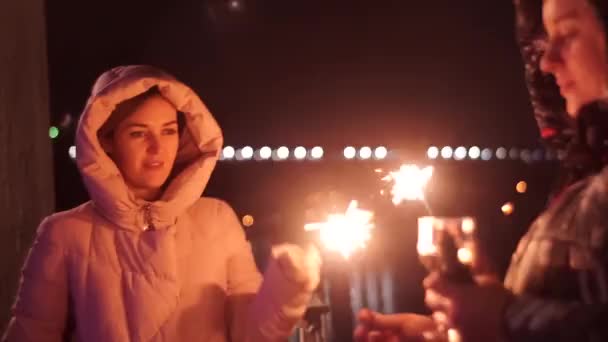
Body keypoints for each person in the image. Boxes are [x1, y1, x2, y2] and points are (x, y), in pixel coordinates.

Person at [2, 65, 321, 341]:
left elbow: (249, 333)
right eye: (139, 134)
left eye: (168, 131)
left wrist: (288, 286)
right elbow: (32, 333)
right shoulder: (65, 233)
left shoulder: (217, 220)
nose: (157, 148)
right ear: (106, 141)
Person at [355, 0, 608, 341]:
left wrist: (505, 317)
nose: (547, 61)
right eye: (547, 38)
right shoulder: (584, 176)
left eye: (567, 33)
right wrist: (454, 332)